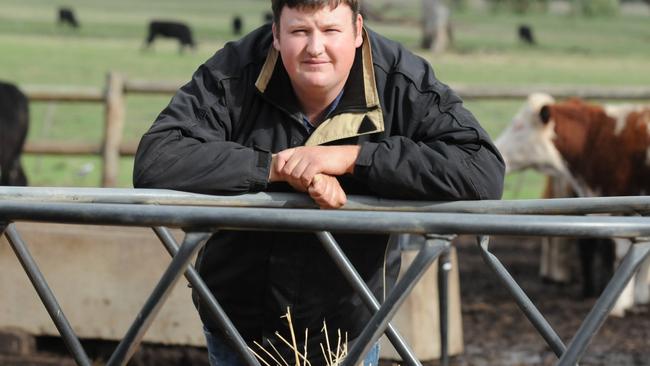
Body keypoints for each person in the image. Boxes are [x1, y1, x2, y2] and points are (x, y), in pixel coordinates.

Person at [133, 0, 504, 364]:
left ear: (358, 31)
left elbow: (481, 169)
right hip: (240, 325)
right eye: (299, 31)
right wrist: (277, 167)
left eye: (330, 30)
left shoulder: (398, 80)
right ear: (275, 33)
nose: (315, 47)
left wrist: (351, 158)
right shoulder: (236, 71)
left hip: (347, 328)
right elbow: (158, 158)